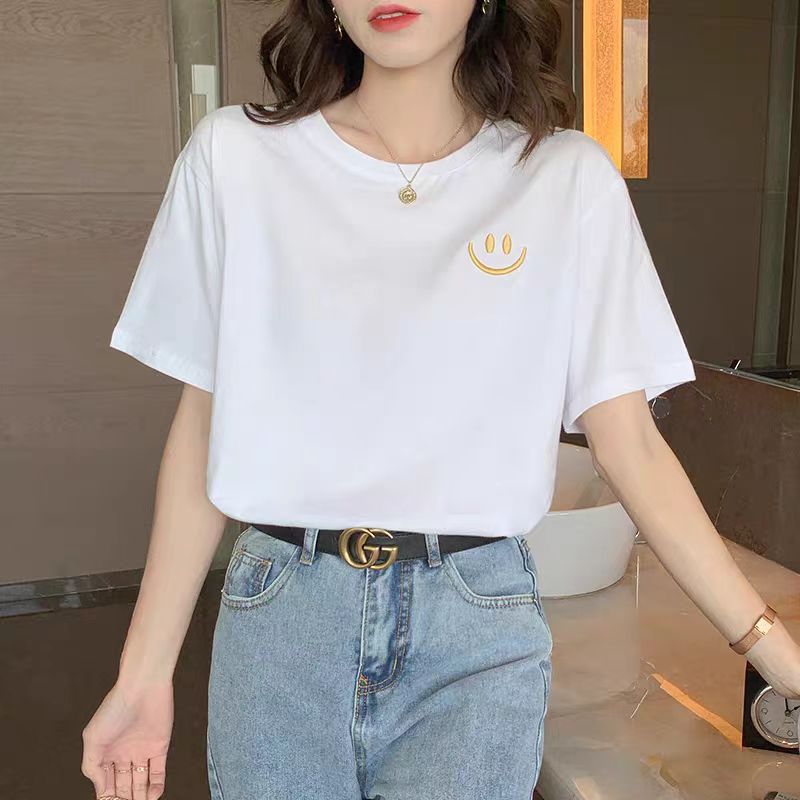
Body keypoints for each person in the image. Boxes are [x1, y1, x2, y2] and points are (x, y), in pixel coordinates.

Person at [81, 0, 800, 798]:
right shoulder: (236, 158)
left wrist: (777, 655)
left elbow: (629, 444)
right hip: (282, 624)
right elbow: (204, 427)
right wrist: (141, 677)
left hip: (476, 629)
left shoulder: (564, 178)